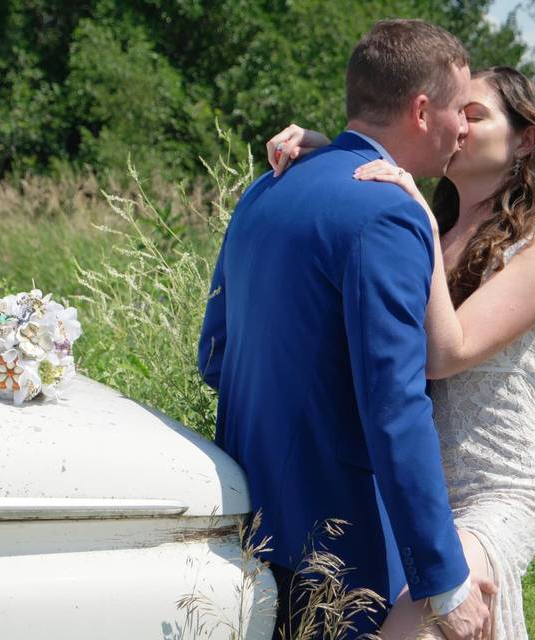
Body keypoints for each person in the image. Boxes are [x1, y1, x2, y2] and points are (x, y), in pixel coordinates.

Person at [198, 19, 497, 640]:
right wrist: (445, 581)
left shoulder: (265, 189)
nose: (463, 129)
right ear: (421, 110)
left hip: (249, 513)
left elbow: (214, 355)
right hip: (345, 533)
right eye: (459, 111)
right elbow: (394, 406)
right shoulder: (386, 211)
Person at [266, 66, 535, 640]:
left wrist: (420, 221)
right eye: (456, 113)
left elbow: (446, 352)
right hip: (422, 489)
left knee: (418, 625)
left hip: (498, 482)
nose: (459, 126)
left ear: (526, 139)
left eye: (476, 115)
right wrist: (329, 156)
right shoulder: (436, 227)